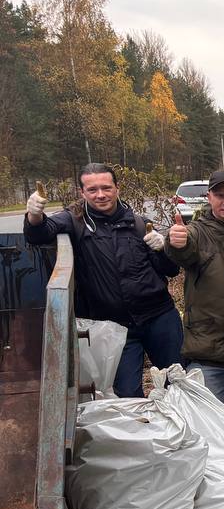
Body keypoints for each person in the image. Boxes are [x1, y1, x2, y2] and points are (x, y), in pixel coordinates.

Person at [25, 163, 181, 398]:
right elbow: (39, 234)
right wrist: (34, 216)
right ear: (82, 193)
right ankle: (141, 433)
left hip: (160, 318)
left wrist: (163, 248)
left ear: (117, 188)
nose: (100, 195)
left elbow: (170, 270)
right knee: (127, 395)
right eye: (92, 189)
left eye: (106, 188)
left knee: (178, 385)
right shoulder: (75, 222)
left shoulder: (139, 223)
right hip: (114, 327)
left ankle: (181, 431)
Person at [164, 168, 224, 405]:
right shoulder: (197, 231)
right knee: (208, 423)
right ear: (209, 197)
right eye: (220, 195)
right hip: (207, 346)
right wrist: (176, 243)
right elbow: (184, 252)